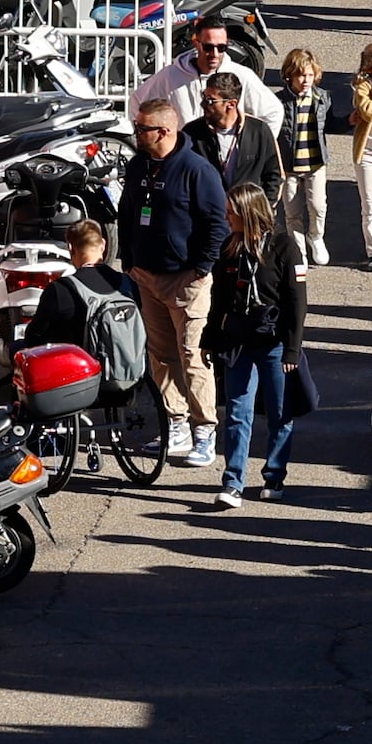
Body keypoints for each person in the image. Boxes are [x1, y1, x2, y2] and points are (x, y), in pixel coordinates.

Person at [123, 101, 235, 471]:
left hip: (186, 281)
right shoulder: (138, 165)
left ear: (165, 131)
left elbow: (218, 225)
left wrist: (200, 269)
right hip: (147, 277)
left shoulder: (197, 170)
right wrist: (129, 260)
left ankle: (205, 430)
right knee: (161, 355)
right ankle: (176, 422)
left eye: (143, 129)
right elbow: (126, 212)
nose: (136, 134)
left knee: (193, 356)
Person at [207, 183, 312, 506]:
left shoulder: (284, 247)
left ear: (248, 213)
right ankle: (233, 483)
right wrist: (210, 340)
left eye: (231, 212)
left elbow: (297, 302)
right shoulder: (229, 249)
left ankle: (274, 475)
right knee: (238, 412)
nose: (226, 216)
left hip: (274, 345)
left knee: (280, 413)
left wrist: (292, 348)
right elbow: (219, 300)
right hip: (239, 343)